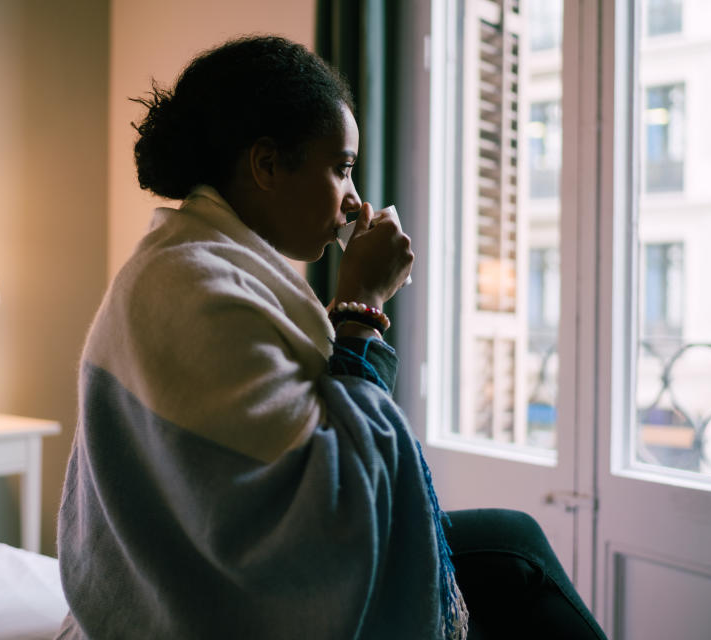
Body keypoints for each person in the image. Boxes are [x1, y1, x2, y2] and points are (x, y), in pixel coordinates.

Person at [56, 35, 606, 640]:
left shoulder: (186, 263)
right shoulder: (197, 286)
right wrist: (362, 306)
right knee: (516, 548)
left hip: (190, 574)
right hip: (207, 603)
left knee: (509, 541)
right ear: (266, 164)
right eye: (341, 168)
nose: (354, 201)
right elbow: (337, 498)